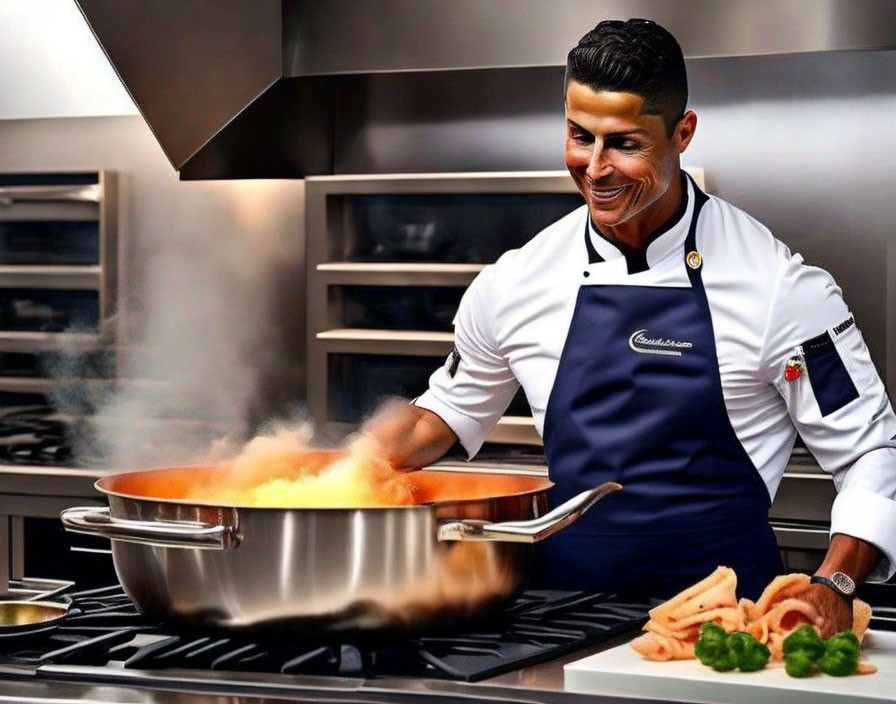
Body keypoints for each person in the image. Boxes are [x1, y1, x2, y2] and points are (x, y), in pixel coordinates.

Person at [363, 18, 896, 636]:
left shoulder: (781, 289)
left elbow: (869, 451)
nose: (594, 168)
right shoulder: (516, 281)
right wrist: (339, 467)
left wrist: (834, 582)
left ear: (683, 133)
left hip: (728, 632)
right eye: (578, 136)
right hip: (556, 626)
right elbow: (443, 415)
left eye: (624, 143)